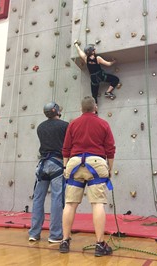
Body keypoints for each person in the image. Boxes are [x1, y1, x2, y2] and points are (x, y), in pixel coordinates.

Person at [59, 96, 116, 257]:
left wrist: (65, 167)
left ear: (81, 109)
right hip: (96, 163)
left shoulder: (73, 124)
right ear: (95, 108)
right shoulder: (103, 124)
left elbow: (66, 148)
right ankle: (99, 244)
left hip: (74, 163)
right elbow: (110, 149)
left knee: (70, 204)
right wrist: (109, 169)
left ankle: (64, 241)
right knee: (97, 204)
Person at [29, 102, 69, 243]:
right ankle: (55, 234)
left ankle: (34, 233)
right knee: (57, 199)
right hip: (57, 163)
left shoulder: (40, 127)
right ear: (57, 111)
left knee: (38, 198)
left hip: (42, 165)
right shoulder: (65, 126)